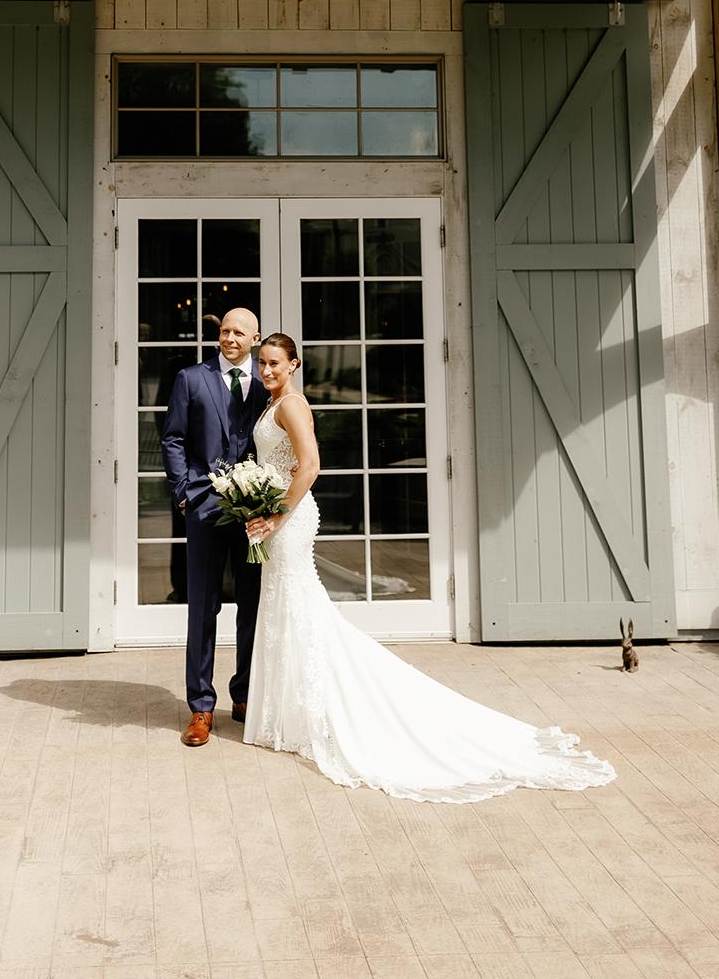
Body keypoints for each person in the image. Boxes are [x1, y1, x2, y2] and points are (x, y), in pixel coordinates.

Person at [242, 333, 617, 803]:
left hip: (290, 518)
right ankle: (288, 717)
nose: (267, 370)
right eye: (263, 363)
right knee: (285, 609)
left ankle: (319, 714)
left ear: (294, 364)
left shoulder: (291, 405)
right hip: (275, 515)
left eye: (275, 363)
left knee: (299, 608)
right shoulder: (271, 402)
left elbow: (311, 465)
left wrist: (277, 514)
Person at [160, 307, 268, 747]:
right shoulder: (191, 378)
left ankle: (243, 696)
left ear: (255, 338)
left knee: (252, 607)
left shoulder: (266, 383)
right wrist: (184, 491)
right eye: (224, 331)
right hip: (204, 508)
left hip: (254, 514)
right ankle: (201, 707)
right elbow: (173, 438)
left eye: (239, 333)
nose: (229, 339)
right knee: (202, 609)